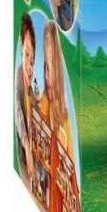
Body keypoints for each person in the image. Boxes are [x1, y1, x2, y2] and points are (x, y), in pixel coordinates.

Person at [40, 21, 73, 159]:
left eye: (50, 69)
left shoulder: (67, 120)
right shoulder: (45, 99)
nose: (46, 77)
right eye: (45, 67)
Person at [15, 13, 36, 180]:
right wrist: (28, 147)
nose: (29, 64)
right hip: (22, 161)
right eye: (27, 54)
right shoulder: (17, 76)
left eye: (33, 60)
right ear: (22, 49)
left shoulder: (31, 92)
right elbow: (17, 111)